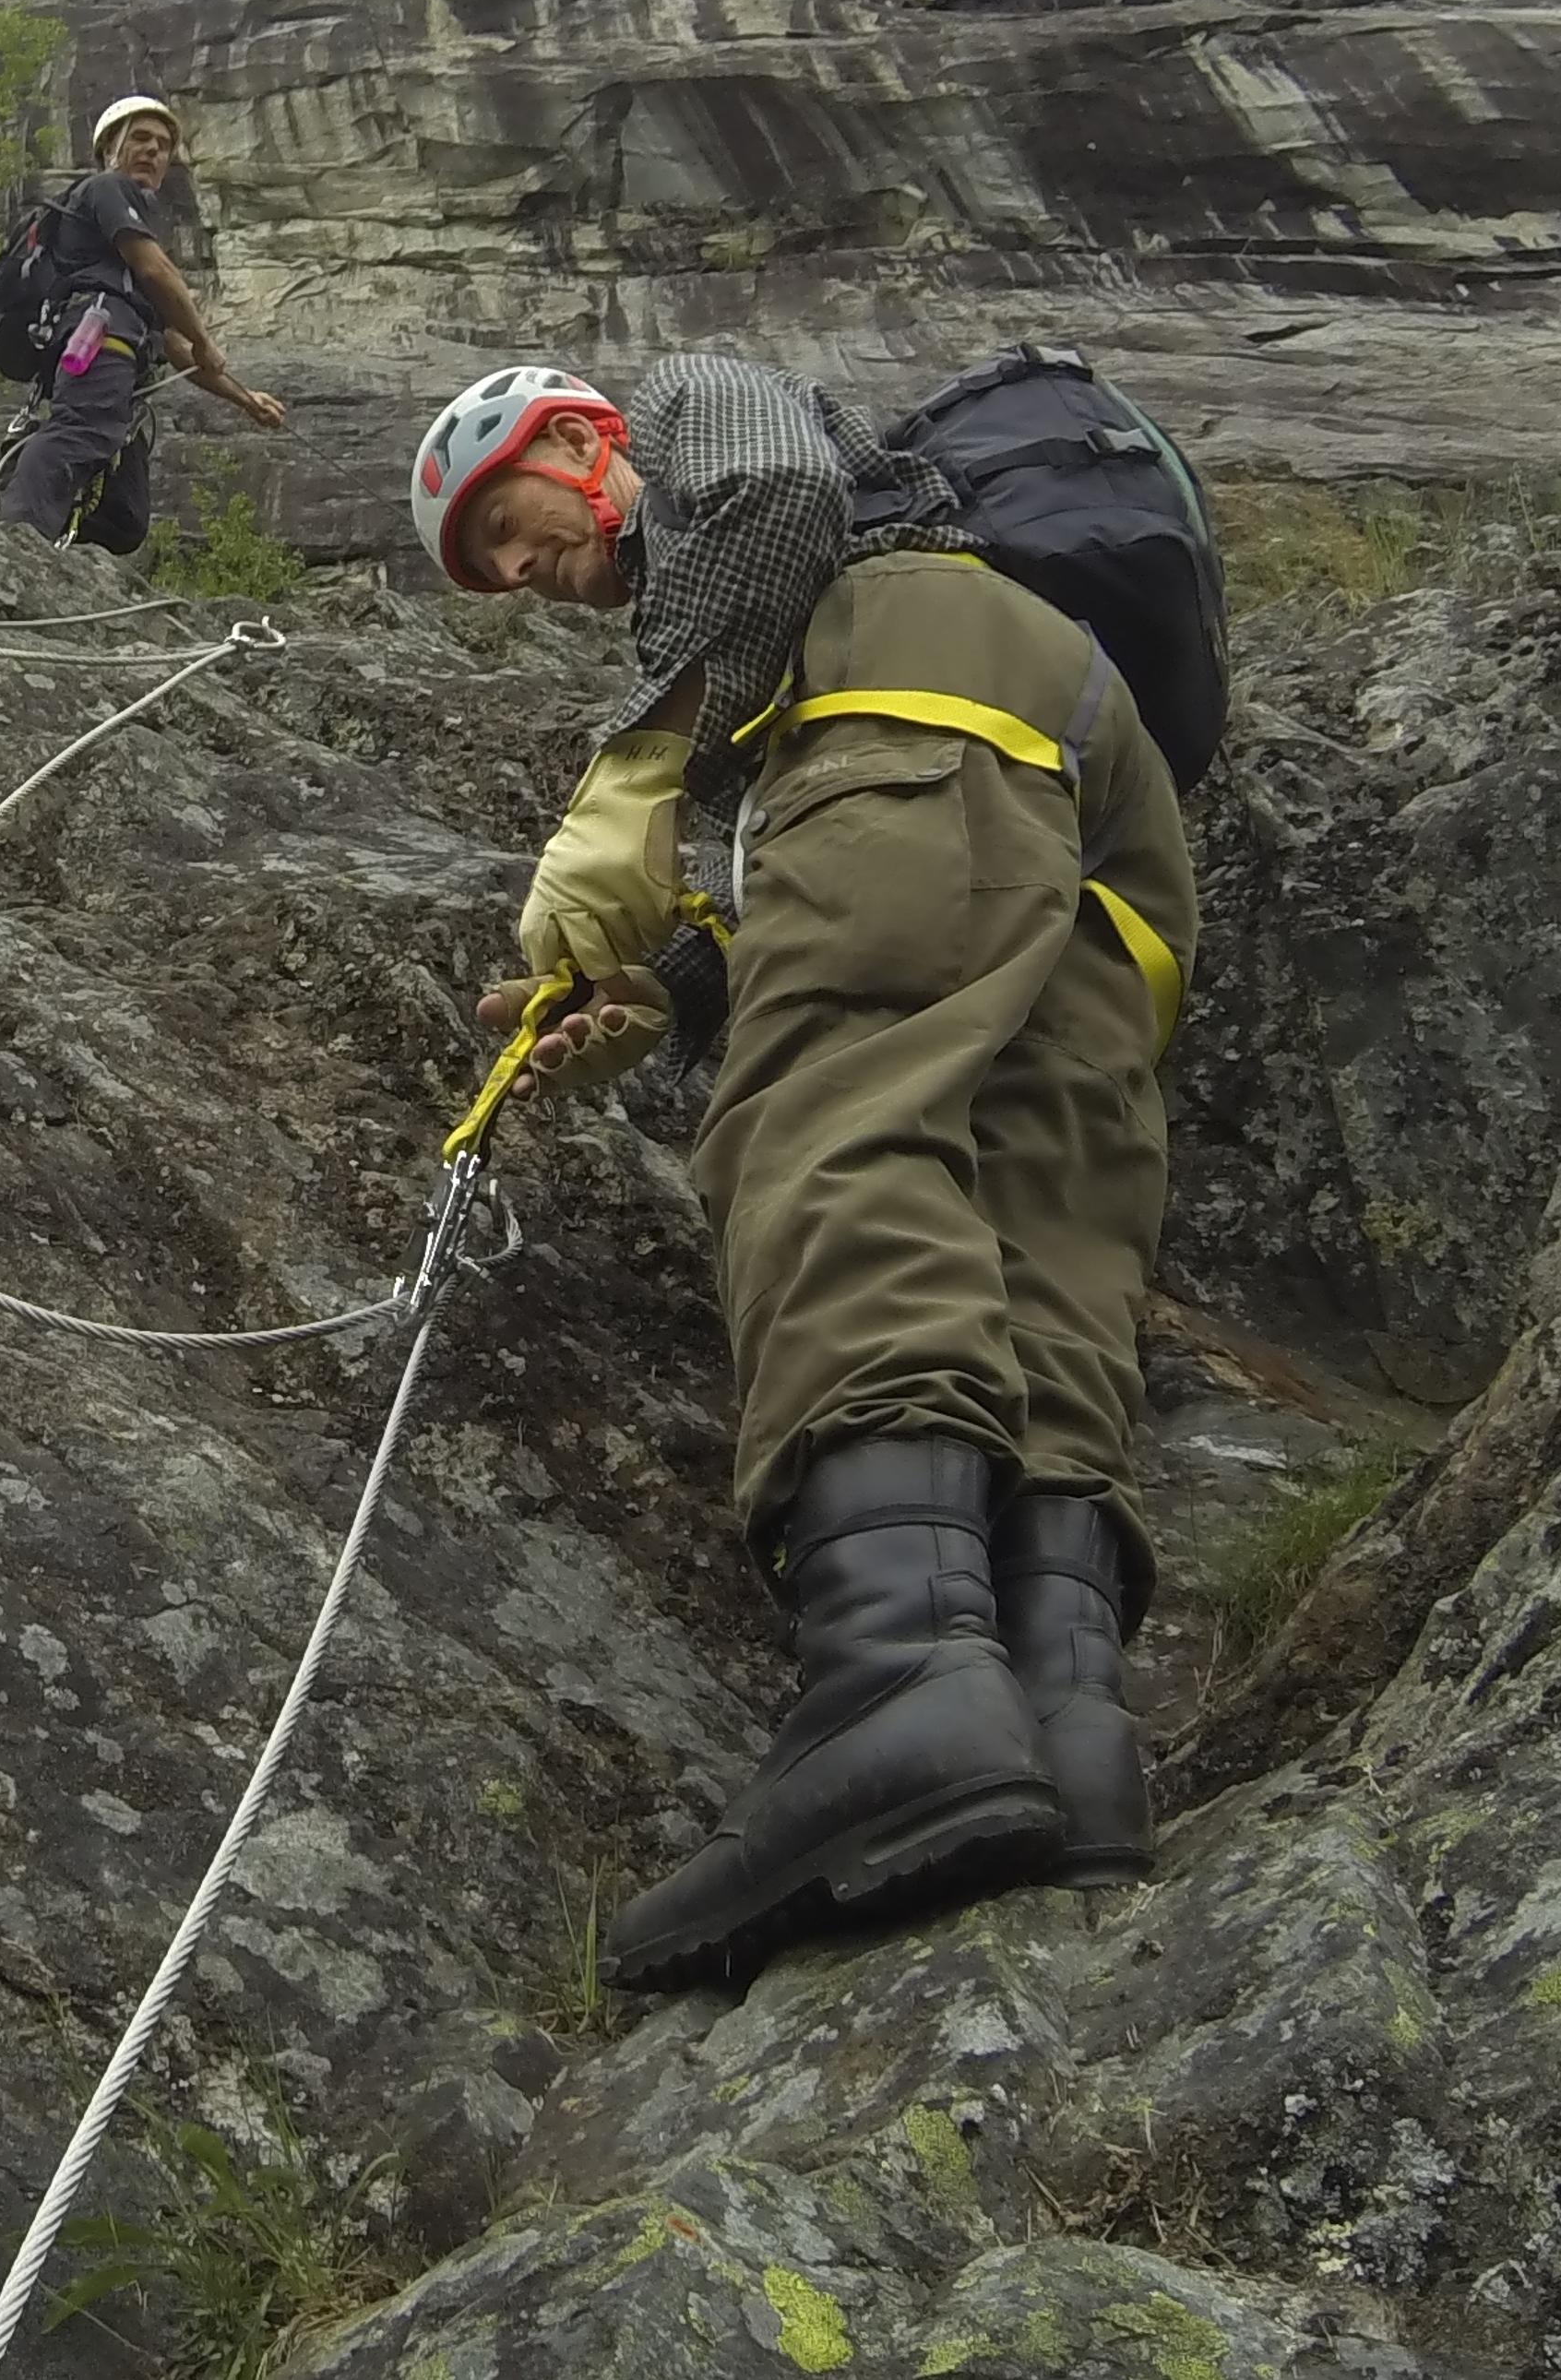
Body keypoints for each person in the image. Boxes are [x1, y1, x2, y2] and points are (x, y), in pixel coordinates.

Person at [409, 357, 1197, 1990]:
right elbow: (905, 895)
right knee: (1038, 1212)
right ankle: (1063, 1721)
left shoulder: (700, 407)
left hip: (930, 689)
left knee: (826, 1119)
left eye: (511, 525)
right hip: (1099, 798)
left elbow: (773, 497)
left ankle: (902, 1677)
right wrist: (671, 991)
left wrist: (634, 773)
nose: (524, 575)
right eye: (494, 573)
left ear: (577, 436)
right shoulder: (829, 626)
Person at [0, 93, 287, 552]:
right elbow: (157, 272)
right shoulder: (109, 189)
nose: (154, 150)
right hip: (100, 335)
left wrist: (245, 399)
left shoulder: (114, 237)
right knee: (80, 432)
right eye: (141, 138)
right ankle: (14, 539)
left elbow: (171, 343)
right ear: (111, 146)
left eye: (164, 144)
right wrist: (205, 338)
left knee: (123, 519)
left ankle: (1, 535)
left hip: (117, 348)